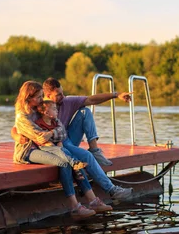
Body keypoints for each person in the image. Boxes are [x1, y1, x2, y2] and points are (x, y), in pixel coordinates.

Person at [13, 80, 114, 219]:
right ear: (28, 98)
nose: (42, 100)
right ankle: (74, 207)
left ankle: (93, 201)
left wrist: (52, 133)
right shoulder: (22, 116)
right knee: (66, 162)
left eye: (42, 96)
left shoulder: (39, 109)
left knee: (73, 160)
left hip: (48, 147)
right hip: (29, 151)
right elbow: (40, 138)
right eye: (39, 97)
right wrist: (53, 135)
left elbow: (61, 129)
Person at [42, 77, 133, 167]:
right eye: (58, 94)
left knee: (85, 112)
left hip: (67, 141)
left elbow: (92, 100)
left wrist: (116, 95)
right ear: (48, 95)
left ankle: (94, 151)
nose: (63, 96)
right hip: (52, 147)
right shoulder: (39, 108)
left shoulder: (67, 101)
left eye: (63, 93)